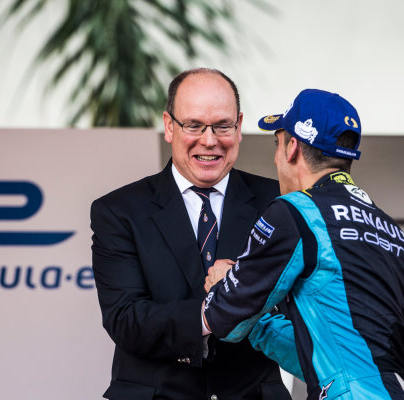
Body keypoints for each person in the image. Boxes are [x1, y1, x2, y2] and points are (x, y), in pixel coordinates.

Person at [201, 89, 404, 400]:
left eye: (276, 144)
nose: (277, 157)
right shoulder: (397, 238)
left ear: (292, 147)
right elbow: (323, 358)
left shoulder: (295, 212)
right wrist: (262, 326)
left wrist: (222, 286)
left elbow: (225, 319)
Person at [90, 68, 291, 400]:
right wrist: (220, 310)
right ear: (169, 126)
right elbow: (126, 319)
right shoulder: (118, 211)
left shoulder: (280, 204)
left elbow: (303, 310)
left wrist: (249, 292)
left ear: (239, 126)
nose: (209, 140)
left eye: (223, 125)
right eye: (194, 125)